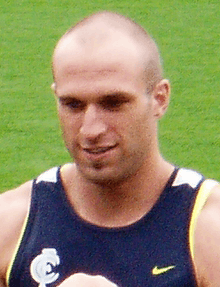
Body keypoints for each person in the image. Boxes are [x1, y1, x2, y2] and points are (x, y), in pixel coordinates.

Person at [0, 11, 219, 287]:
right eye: (73, 105)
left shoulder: (209, 231)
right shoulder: (11, 224)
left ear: (159, 99)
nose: (91, 129)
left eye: (113, 103)